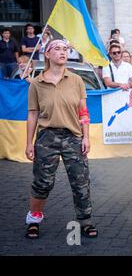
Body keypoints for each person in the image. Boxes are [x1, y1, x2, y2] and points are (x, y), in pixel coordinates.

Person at [24, 39, 97, 239]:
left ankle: (86, 221)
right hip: (47, 137)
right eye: (57, 48)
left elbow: (83, 111)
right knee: (42, 182)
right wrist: (29, 143)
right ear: (47, 54)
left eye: (65, 49)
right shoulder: (37, 84)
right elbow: (32, 115)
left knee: (80, 181)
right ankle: (33, 220)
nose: (62, 52)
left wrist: (86, 137)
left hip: (73, 136)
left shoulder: (76, 80)